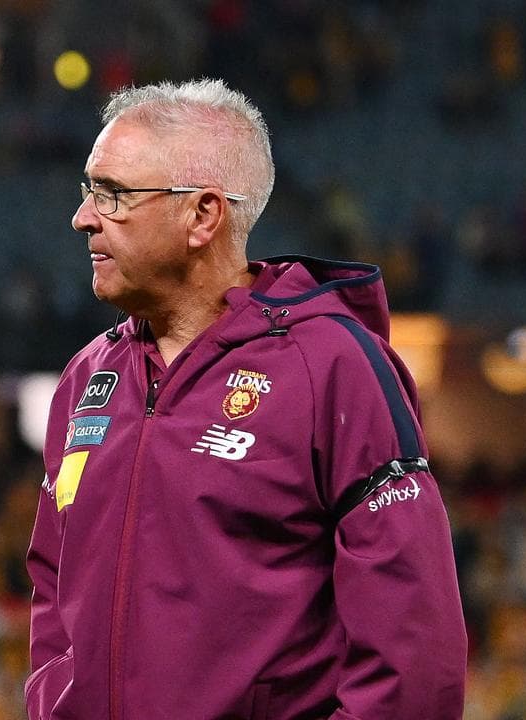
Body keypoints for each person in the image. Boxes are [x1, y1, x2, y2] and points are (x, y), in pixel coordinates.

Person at [25, 79, 467, 719]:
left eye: (114, 194)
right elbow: (52, 587)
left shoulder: (333, 367)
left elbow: (414, 645)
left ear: (202, 215)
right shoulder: (86, 380)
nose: (84, 216)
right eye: (88, 189)